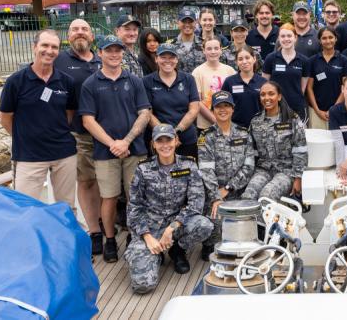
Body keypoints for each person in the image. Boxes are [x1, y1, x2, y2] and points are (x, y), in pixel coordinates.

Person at [79, 35, 152, 262]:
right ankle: (110, 239)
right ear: (99, 53)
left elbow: (144, 113)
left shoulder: (134, 81)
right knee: (108, 197)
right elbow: (88, 121)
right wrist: (113, 144)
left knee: (135, 197)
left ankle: (134, 234)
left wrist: (127, 141)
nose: (114, 54)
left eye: (118, 50)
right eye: (108, 50)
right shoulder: (90, 84)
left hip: (134, 149)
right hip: (105, 152)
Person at [124, 124, 213, 292]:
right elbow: (134, 207)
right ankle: (153, 252)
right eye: (160, 141)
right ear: (154, 144)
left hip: (176, 224)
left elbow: (196, 202)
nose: (165, 145)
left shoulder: (189, 165)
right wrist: (147, 236)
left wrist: (172, 228)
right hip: (150, 227)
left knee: (204, 225)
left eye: (169, 140)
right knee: (143, 285)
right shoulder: (143, 169)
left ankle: (176, 250)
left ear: (176, 141)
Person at [0, 29, 77, 210]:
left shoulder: (66, 82)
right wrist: (24, 137)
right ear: (34, 47)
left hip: (63, 154)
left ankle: (63, 238)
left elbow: (69, 113)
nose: (49, 51)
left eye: (54, 47)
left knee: (66, 207)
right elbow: (5, 117)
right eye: (45, 45)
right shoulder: (16, 82)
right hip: (29, 157)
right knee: (25, 209)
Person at [54, 19, 104, 254]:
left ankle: (107, 224)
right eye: (75, 29)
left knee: (109, 183)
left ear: (92, 36)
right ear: (68, 35)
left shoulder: (101, 59)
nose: (80, 33)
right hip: (79, 133)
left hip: (108, 133)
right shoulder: (59, 60)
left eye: (85, 28)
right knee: (87, 181)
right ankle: (94, 231)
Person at [197, 91, 257, 260]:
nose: (222, 110)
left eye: (226, 106)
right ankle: (209, 242)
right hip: (214, 194)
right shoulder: (205, 137)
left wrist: (229, 187)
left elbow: (248, 166)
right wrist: (216, 196)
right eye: (218, 107)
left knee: (244, 233)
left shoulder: (244, 133)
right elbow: (205, 170)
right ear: (213, 110)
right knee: (213, 235)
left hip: (239, 191)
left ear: (232, 109)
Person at [242, 81, 308, 200]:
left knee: (266, 196)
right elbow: (250, 151)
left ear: (279, 96)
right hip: (263, 170)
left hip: (286, 171)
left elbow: (300, 149)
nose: (266, 98)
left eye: (271, 94)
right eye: (263, 94)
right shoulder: (255, 121)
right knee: (248, 196)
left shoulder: (292, 119)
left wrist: (298, 178)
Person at [143, 44, 200, 158]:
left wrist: (176, 131)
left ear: (177, 59)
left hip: (186, 139)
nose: (167, 61)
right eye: (163, 57)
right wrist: (164, 133)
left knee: (187, 173)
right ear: (156, 59)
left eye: (171, 57)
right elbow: (147, 112)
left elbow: (194, 109)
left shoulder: (188, 79)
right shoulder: (146, 81)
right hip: (159, 141)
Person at [262, 23, 311, 120]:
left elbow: (302, 88)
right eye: (283, 36)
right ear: (279, 39)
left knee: (297, 134)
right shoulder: (271, 58)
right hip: (275, 107)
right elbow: (265, 85)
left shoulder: (304, 61)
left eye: (289, 36)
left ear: (295, 38)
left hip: (296, 108)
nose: (286, 39)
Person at [306, 27, 347, 129]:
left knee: (336, 142)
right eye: (324, 38)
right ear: (320, 41)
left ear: (336, 39)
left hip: (338, 110)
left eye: (331, 37)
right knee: (318, 142)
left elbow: (346, 87)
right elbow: (309, 88)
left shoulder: (343, 60)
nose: (328, 41)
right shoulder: (312, 61)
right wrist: (317, 110)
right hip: (316, 111)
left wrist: (334, 109)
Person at [192, 38, 236, 131]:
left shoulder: (230, 70)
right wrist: (215, 120)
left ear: (221, 50)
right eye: (209, 49)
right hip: (205, 125)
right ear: (203, 50)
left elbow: (235, 97)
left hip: (228, 123)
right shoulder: (197, 72)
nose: (213, 52)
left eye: (216, 48)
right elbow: (197, 101)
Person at [222, 45, 267, 128]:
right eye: (240, 59)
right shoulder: (229, 82)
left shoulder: (263, 82)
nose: (244, 61)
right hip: (236, 129)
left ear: (254, 59)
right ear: (236, 62)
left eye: (247, 58)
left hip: (259, 128)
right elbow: (223, 106)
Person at [173, 9, 206, 74]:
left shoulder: (204, 44)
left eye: (190, 21)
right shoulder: (171, 46)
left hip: (199, 83)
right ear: (178, 23)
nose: (187, 25)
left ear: (196, 22)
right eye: (184, 21)